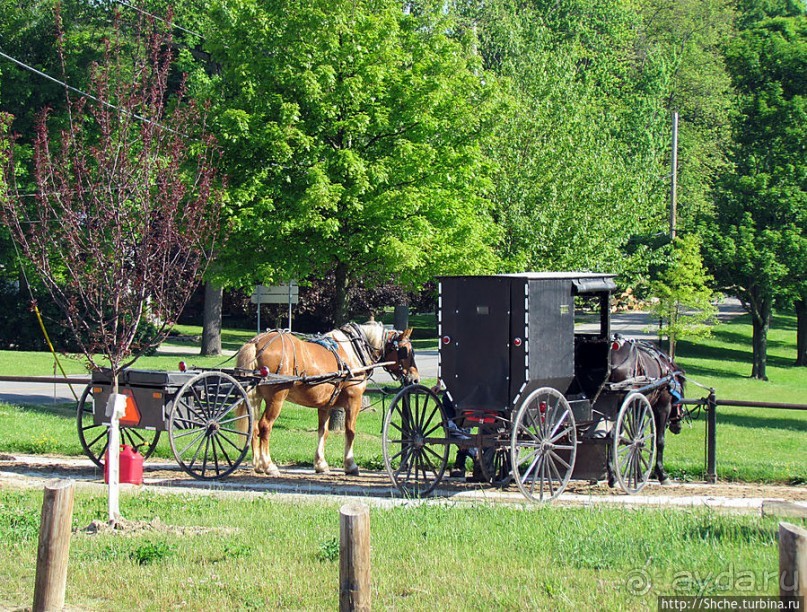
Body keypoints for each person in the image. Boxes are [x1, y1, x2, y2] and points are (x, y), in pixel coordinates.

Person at [431, 382, 477, 478]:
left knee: (465, 425)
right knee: (448, 427)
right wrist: (439, 384)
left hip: (469, 391)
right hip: (451, 394)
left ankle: (460, 464)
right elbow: (442, 367)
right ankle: (475, 452)